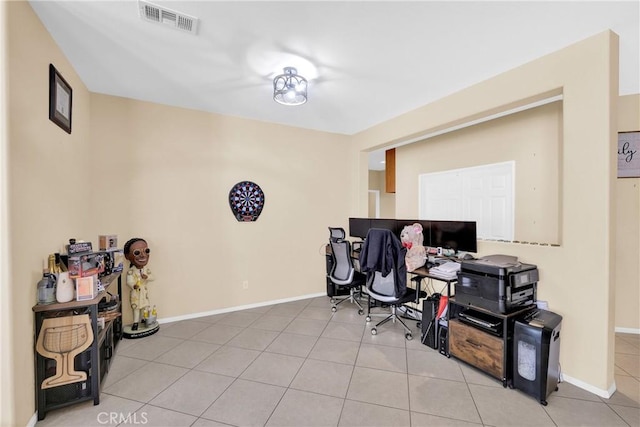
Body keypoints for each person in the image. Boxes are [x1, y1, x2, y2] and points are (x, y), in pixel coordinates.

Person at [124, 238, 154, 331]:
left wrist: (147, 277)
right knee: (136, 309)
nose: (143, 255)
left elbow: (152, 277)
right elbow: (129, 281)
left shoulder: (146, 270)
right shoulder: (131, 271)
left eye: (146, 251)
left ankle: (144, 320)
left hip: (144, 294)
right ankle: (135, 323)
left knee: (145, 308)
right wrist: (133, 286)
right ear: (127, 256)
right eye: (137, 253)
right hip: (136, 294)